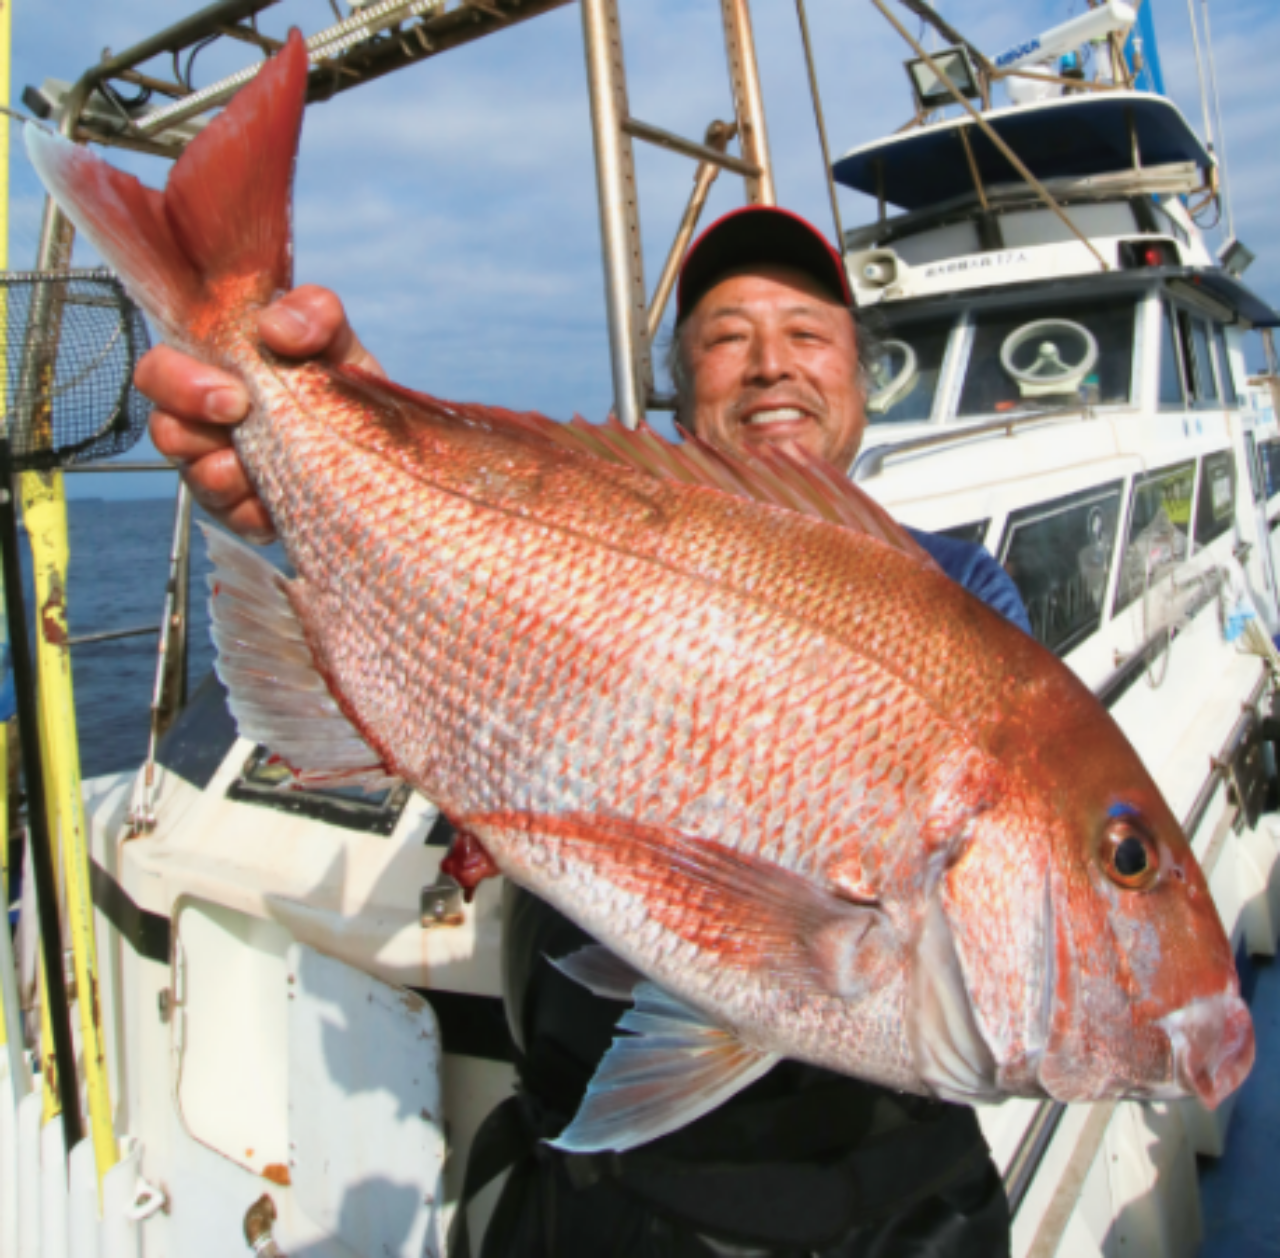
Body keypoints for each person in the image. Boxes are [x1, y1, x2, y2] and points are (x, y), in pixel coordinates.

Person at [139, 206, 1028, 1257]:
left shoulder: (961, 594)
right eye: (725, 335)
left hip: (886, 1198)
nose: (768, 365)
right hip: (605, 1188)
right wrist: (330, 458)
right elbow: (472, 591)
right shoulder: (600, 526)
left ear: (860, 373)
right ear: (679, 382)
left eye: (804, 332)